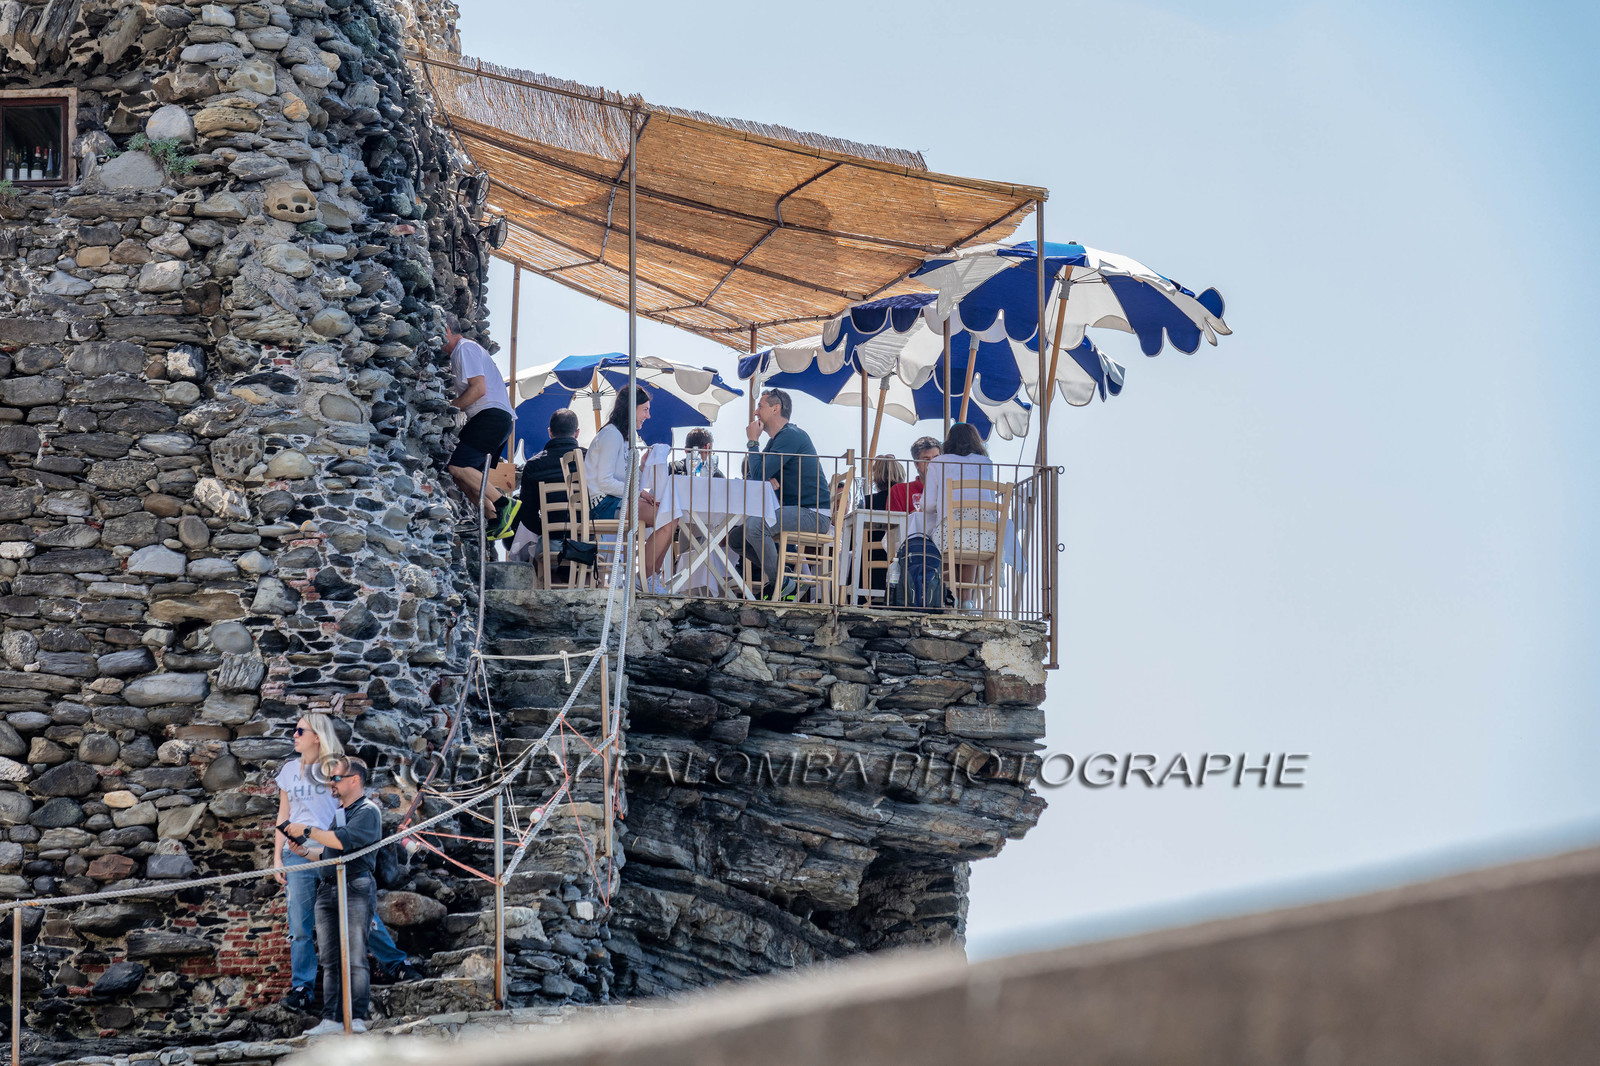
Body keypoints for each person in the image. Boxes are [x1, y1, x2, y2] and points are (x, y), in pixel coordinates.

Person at [273, 716, 415, 1015]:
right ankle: (302, 988)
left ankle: (395, 963)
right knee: (300, 925)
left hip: (332, 850)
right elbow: (282, 816)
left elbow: (347, 808)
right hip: (297, 853)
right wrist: (277, 858)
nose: (293, 735)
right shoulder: (288, 771)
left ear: (317, 736)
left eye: (300, 730)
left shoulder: (334, 770)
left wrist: (335, 842)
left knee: (360, 914)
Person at [288, 757, 383, 1036]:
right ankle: (331, 1019)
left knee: (354, 955)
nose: (331, 783)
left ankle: (356, 1018)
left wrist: (307, 830)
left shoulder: (368, 811)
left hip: (354, 887)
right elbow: (330, 854)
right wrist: (304, 852)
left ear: (354, 780)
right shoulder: (339, 814)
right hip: (328, 887)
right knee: (330, 959)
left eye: (336, 778)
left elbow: (343, 842)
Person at [737, 388, 827, 597]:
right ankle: (787, 578)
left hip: (812, 514)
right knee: (736, 537)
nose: (756, 412)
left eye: (760, 406)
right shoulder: (776, 441)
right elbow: (754, 477)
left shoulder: (791, 436)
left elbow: (757, 472)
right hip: (793, 511)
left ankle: (780, 581)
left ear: (775, 408)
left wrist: (752, 441)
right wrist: (766, 477)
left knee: (754, 526)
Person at [584, 388, 676, 588]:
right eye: (645, 410)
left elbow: (625, 481)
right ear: (631, 408)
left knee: (670, 514)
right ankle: (642, 579)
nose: (648, 415)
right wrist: (639, 493)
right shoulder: (611, 435)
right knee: (667, 516)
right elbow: (604, 482)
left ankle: (647, 577)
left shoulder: (623, 438)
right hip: (602, 505)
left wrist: (642, 468)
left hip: (615, 501)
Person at [907, 423, 1000, 608]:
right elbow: (989, 500)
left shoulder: (939, 463)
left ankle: (951, 595)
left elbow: (928, 505)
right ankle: (967, 599)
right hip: (986, 534)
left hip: (952, 531)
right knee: (971, 542)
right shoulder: (986, 463)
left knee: (948, 538)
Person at [444, 312, 519, 540]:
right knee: (462, 475)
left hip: (491, 416)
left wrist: (450, 407)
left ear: (447, 330)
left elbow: (478, 389)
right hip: (493, 418)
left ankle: (504, 503)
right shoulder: (463, 351)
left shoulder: (465, 348)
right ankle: (495, 518)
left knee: (457, 467)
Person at [517, 408, 584, 538]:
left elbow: (526, 514)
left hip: (551, 540)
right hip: (587, 543)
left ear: (550, 432)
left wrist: (545, 532)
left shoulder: (533, 465)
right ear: (577, 433)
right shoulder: (588, 459)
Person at [895, 436, 942, 513]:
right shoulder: (899, 491)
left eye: (936, 459)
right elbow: (893, 523)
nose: (932, 463)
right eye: (926, 460)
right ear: (916, 464)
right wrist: (915, 515)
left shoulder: (951, 488)